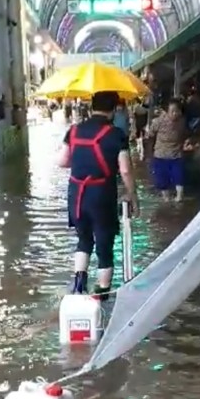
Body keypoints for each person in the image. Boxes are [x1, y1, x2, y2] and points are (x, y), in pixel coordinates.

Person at [57, 90, 139, 298]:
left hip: (76, 194)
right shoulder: (116, 134)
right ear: (113, 109)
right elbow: (126, 170)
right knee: (104, 243)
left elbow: (62, 161)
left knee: (83, 239)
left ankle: (79, 283)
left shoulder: (74, 131)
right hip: (101, 194)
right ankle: (101, 294)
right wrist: (132, 195)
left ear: (91, 107)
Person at [149, 98, 187, 203]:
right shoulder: (158, 121)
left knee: (179, 177)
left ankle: (179, 197)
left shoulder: (182, 121)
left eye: (177, 111)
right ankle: (166, 199)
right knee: (162, 180)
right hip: (161, 155)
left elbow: (184, 134)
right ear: (167, 111)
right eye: (172, 111)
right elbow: (150, 135)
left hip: (176, 154)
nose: (175, 114)